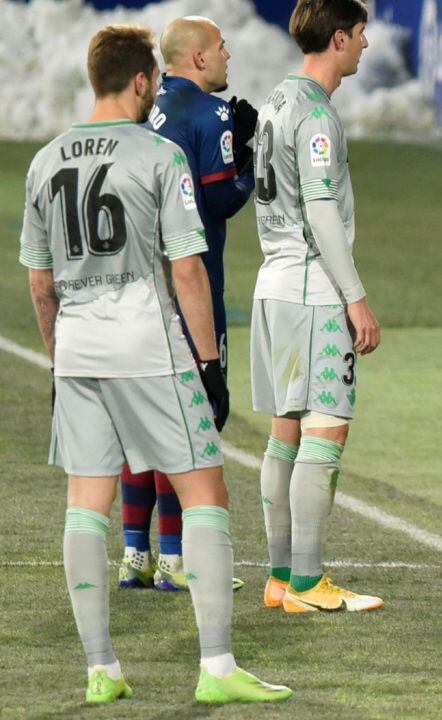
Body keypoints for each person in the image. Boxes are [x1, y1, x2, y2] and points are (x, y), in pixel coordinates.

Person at [20, 24, 291, 703]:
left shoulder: (45, 161)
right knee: (205, 492)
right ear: (142, 82)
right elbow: (188, 270)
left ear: (93, 78)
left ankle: (101, 670)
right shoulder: (158, 155)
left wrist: (58, 362)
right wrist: (208, 363)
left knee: (87, 504)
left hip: (78, 348)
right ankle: (218, 668)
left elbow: (40, 281)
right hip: (147, 343)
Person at [251, 0, 384, 613]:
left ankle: (281, 578)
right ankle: (308, 582)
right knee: (324, 434)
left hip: (273, 286)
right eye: (359, 33)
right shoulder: (316, 115)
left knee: (284, 436)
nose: (366, 43)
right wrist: (354, 298)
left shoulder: (276, 100)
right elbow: (321, 208)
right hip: (311, 291)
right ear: (337, 37)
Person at [118, 15, 257, 592]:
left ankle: (134, 554)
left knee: (139, 423)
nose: (228, 58)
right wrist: (249, 158)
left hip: (130, 286)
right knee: (192, 418)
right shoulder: (211, 113)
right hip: (187, 281)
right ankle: (177, 558)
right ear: (198, 59)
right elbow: (221, 199)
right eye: (222, 50)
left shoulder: (142, 110)